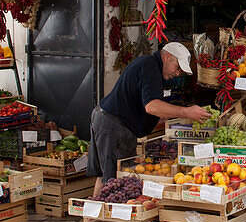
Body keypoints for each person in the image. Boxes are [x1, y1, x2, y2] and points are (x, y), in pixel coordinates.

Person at [88, 41, 209, 196]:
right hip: (114, 126)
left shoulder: (149, 65)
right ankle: (112, 218)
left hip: (105, 119)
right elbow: (151, 106)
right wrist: (186, 112)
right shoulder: (150, 68)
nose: (177, 74)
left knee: (105, 177)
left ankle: (92, 217)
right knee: (116, 179)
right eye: (177, 67)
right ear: (167, 57)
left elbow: (145, 105)